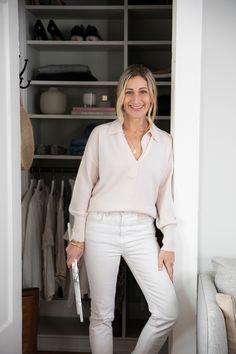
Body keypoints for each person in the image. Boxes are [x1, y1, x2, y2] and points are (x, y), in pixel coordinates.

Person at [66, 64, 179, 354]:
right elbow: (83, 188)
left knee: (168, 310)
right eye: (129, 92)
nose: (136, 99)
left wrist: (169, 242)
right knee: (102, 315)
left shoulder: (165, 143)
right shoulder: (101, 136)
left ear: (152, 96)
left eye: (143, 91)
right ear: (121, 96)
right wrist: (77, 238)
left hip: (141, 231)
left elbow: (165, 197)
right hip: (100, 227)